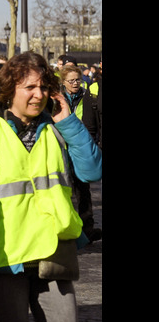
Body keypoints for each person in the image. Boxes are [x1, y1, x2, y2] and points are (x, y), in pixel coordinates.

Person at [0, 52, 102, 322]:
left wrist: (69, 122)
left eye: (44, 87)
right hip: (4, 257)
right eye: (30, 88)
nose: (39, 95)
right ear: (10, 90)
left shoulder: (58, 129)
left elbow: (91, 170)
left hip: (53, 253)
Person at [59, 63, 102, 242]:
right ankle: (67, 226)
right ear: (63, 82)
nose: (75, 83)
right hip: (62, 146)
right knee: (63, 188)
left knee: (83, 188)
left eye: (78, 80)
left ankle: (87, 226)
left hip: (80, 145)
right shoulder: (58, 99)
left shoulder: (87, 97)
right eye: (71, 81)